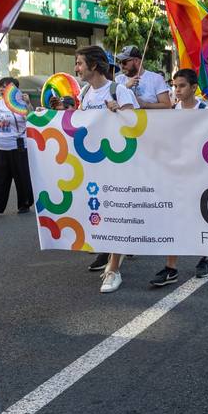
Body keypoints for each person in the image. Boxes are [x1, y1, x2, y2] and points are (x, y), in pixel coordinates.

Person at [76, 45, 138, 274]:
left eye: (80, 63)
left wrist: (119, 111)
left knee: (116, 212)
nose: (77, 68)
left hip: (117, 163)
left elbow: (136, 127)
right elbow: (79, 124)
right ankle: (107, 253)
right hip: (93, 164)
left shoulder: (119, 91)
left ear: (93, 65)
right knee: (100, 210)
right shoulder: (84, 93)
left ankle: (113, 268)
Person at [150, 69, 208, 287]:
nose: (177, 90)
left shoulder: (205, 110)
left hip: (200, 173)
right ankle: (171, 267)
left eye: (182, 86)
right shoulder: (172, 111)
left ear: (194, 87)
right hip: (176, 173)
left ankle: (205, 257)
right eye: (175, 86)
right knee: (174, 217)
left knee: (201, 216)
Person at [0, 77, 33, 218]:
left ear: (14, 89)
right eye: (0, 86)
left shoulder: (21, 103)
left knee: (22, 178)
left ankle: (25, 203)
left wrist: (28, 104)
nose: (1, 89)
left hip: (18, 147)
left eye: (5, 86)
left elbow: (31, 119)